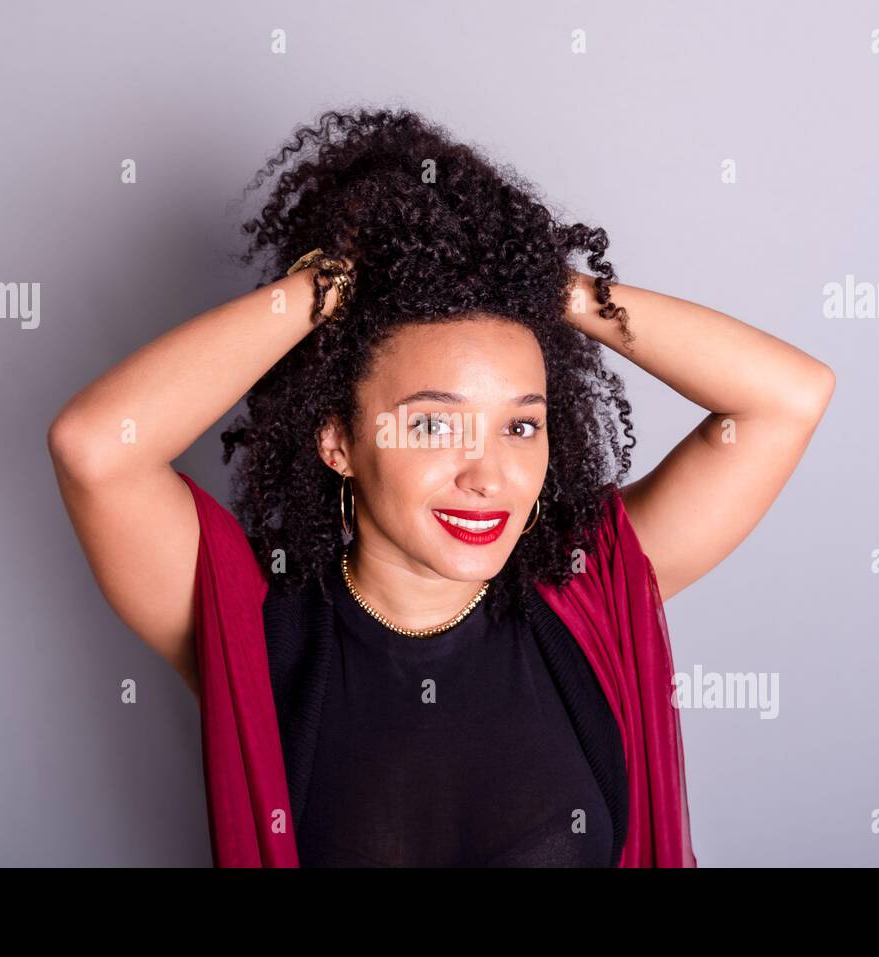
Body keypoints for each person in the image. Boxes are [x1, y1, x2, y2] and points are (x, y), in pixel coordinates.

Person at [47, 107, 834, 867]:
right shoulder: (257, 616)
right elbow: (95, 447)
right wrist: (336, 285)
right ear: (337, 438)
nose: (487, 475)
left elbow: (786, 398)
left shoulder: (587, 585)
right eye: (432, 425)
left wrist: (537, 285)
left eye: (520, 425)